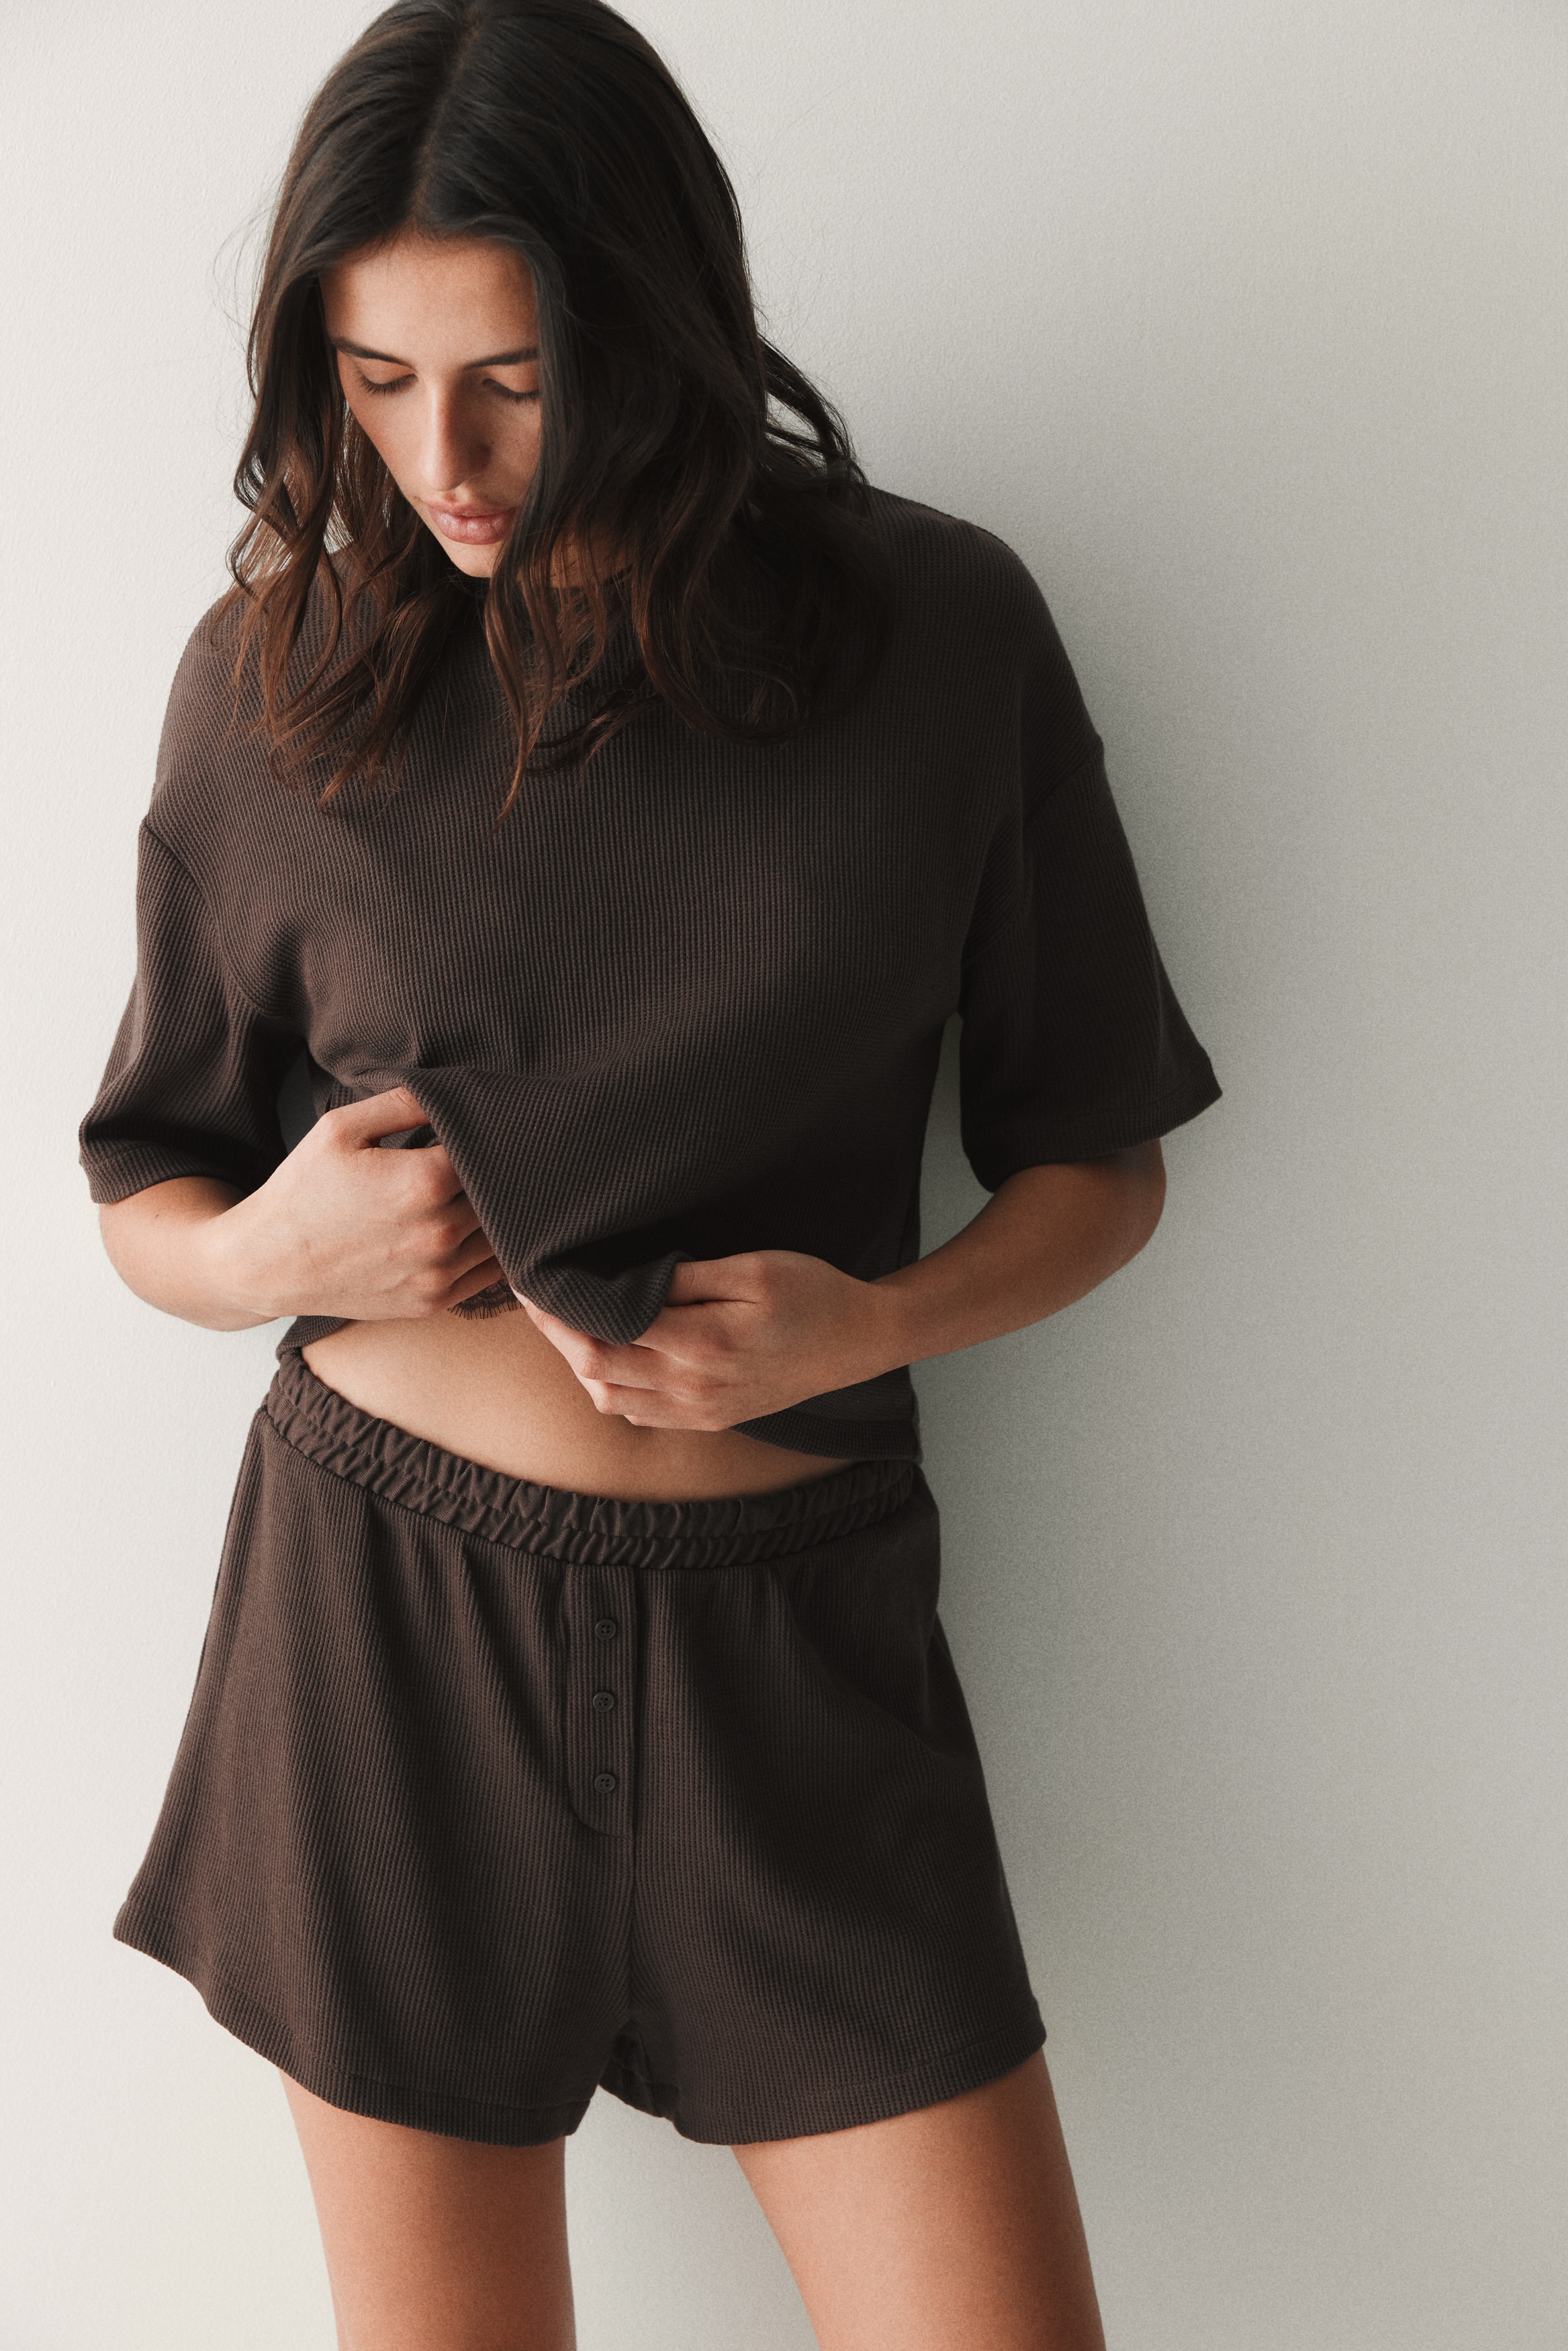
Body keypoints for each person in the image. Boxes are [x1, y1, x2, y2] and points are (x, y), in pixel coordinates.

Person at [80, 2, 1220, 2343]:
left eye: (512, 377)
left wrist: (874, 1320)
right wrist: (276, 1244)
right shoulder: (277, 678)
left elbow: (1096, 1158)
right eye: (379, 383)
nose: (444, 459)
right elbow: (148, 1198)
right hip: (381, 1634)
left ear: (656, 316)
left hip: (796, 1648)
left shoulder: (943, 636)